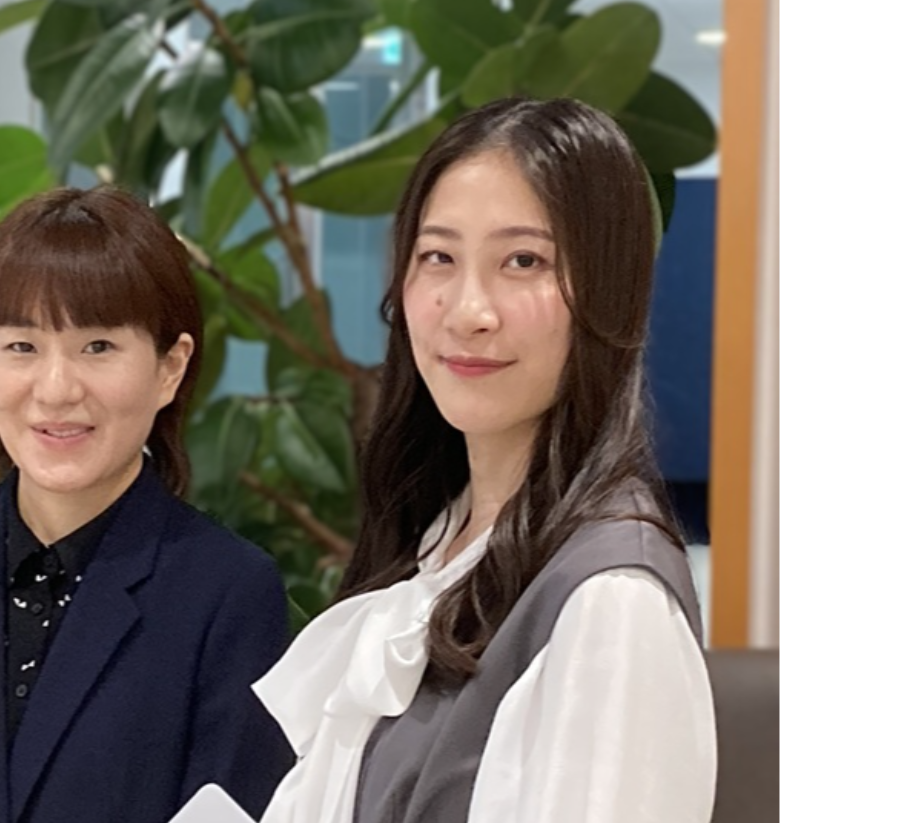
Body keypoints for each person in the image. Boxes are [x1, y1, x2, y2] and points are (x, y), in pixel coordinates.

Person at [253, 98, 716, 823]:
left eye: (523, 261)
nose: (469, 310)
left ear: (611, 291)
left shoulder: (611, 602)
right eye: (438, 257)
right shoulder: (438, 541)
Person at [0, 185, 293, 823]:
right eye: (22, 346)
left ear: (170, 367)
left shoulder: (228, 593)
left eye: (97, 347)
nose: (54, 390)